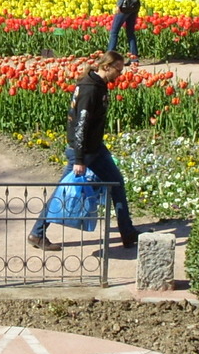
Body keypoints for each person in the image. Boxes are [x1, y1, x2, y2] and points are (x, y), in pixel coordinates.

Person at [28, 51, 138, 253]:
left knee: (117, 183)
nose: (120, 74)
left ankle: (128, 232)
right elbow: (80, 125)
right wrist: (79, 159)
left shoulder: (98, 84)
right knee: (63, 192)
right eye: (118, 70)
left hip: (95, 148)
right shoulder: (90, 89)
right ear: (106, 67)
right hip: (84, 151)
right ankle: (38, 233)